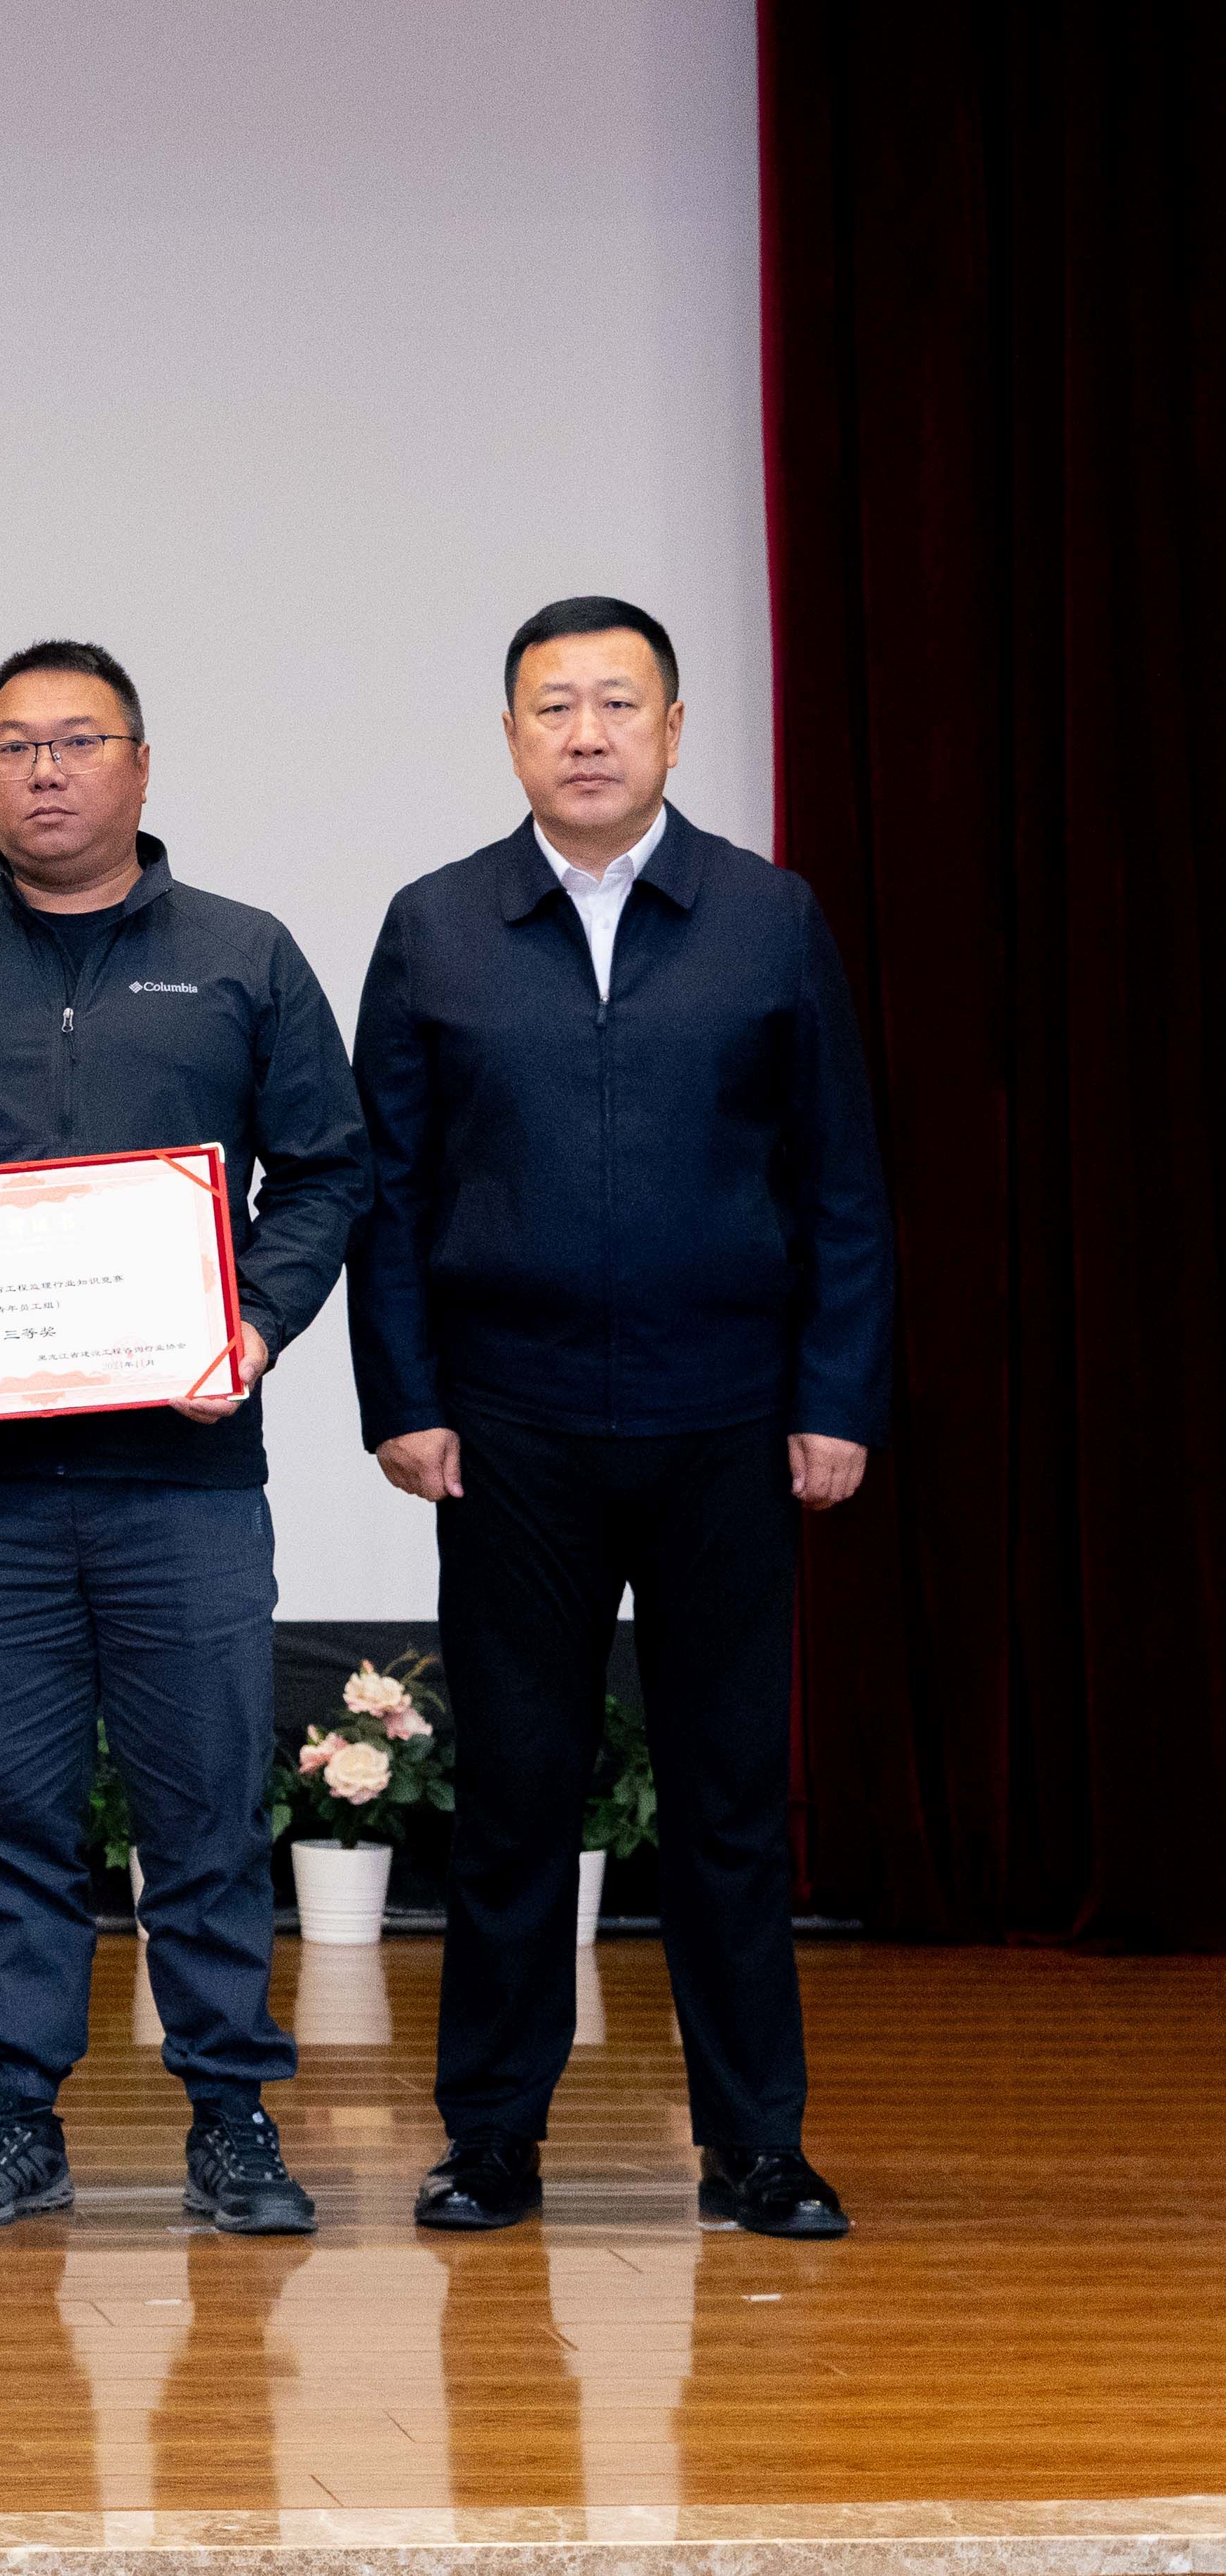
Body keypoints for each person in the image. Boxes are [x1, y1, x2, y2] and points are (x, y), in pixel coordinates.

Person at [0, 641, 365, 2238]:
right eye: (12, 745)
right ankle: (16, 2115)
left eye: (76, 740)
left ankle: (231, 2117)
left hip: (184, 1476)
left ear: (141, 763)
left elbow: (326, 1169)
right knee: (4, 1812)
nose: (44, 769)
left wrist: (254, 1323)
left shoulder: (244, 955)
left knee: (205, 1810)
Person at [351, 595, 891, 2242]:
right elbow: (390, 1188)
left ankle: (757, 2141)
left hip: (727, 1416)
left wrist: (835, 1394)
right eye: (553, 705)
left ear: (673, 727)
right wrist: (406, 1397)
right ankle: (490, 2137)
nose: (586, 734)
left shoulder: (766, 916)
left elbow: (841, 1177)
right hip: (509, 1428)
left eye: (617, 703)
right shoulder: (438, 924)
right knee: (516, 1788)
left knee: (729, 1795)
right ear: (512, 733)